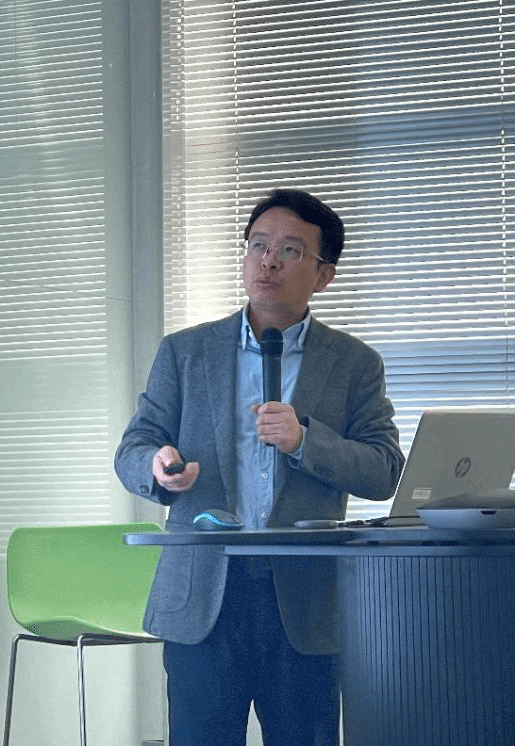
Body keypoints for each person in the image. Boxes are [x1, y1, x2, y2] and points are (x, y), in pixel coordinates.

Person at [114, 188, 405, 745]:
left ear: (324, 276)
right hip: (204, 595)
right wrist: (158, 465)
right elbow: (135, 446)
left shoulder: (354, 363)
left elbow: (384, 468)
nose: (268, 261)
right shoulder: (185, 352)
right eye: (258, 245)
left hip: (303, 602)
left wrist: (305, 441)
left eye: (290, 250)